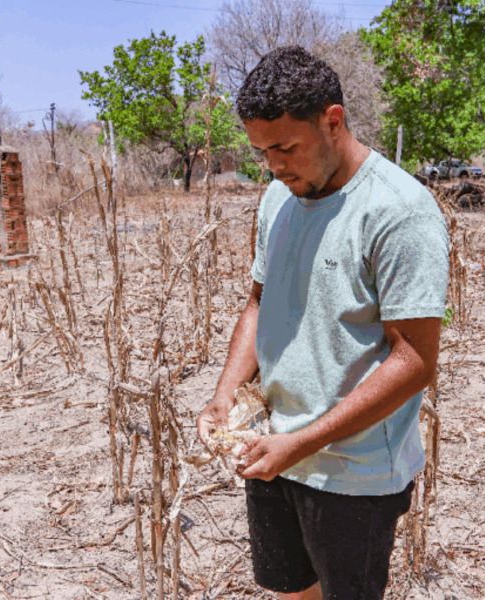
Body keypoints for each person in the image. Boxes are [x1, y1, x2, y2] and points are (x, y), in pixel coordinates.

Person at [197, 46, 449, 600]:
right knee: (292, 591)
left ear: (333, 121)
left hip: (352, 473)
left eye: (286, 147)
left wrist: (302, 442)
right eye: (263, 151)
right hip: (271, 449)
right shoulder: (277, 200)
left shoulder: (399, 212)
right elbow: (259, 302)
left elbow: (414, 361)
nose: (274, 165)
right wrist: (225, 394)